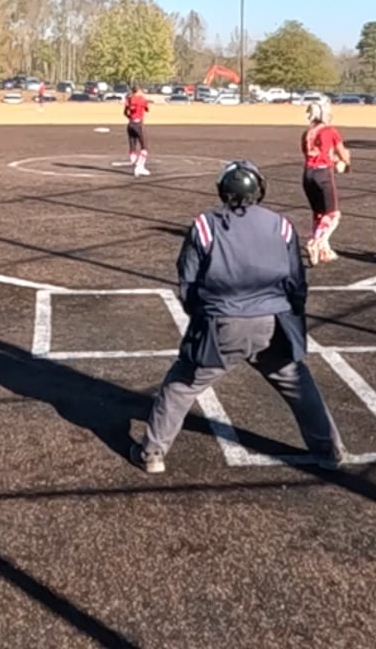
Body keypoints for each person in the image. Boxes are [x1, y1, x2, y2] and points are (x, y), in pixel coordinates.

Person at [133, 161, 344, 473]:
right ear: (259, 190)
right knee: (298, 383)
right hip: (273, 323)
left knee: (182, 384)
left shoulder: (205, 225)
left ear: (223, 190)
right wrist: (292, 315)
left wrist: (201, 315)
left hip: (222, 324)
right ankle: (328, 450)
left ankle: (152, 454)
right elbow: (296, 282)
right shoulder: (281, 225)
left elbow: (188, 281)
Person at [300, 102, 351, 265]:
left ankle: (324, 250)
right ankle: (316, 242)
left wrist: (332, 159)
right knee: (333, 214)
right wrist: (345, 161)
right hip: (323, 174)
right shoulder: (330, 131)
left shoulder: (306, 133)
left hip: (308, 174)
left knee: (319, 213)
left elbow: (312, 154)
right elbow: (343, 154)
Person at [124, 85, 151, 177]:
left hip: (130, 124)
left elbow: (125, 112)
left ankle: (134, 161)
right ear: (139, 91)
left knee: (132, 146)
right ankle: (139, 167)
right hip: (138, 124)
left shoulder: (129, 99)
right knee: (144, 147)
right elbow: (147, 109)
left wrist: (131, 117)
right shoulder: (142, 99)